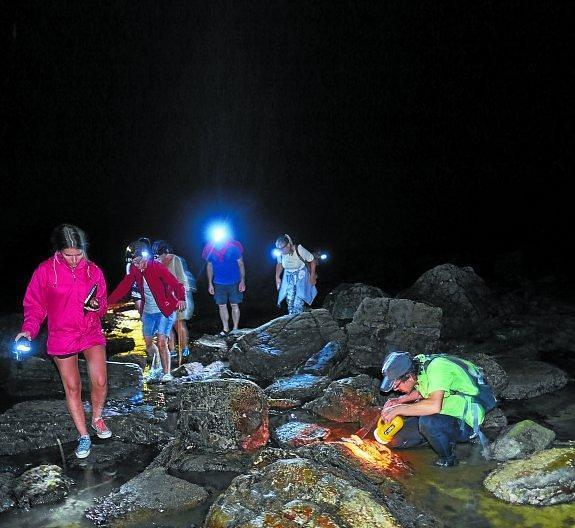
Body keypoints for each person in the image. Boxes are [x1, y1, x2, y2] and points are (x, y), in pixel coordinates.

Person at [15, 224, 110, 459]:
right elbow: (35, 305)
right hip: (62, 335)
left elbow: (103, 303)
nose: (75, 259)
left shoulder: (93, 270)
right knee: (73, 387)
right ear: (58, 251)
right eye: (68, 255)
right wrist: (28, 330)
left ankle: (97, 418)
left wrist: (97, 307)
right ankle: (83, 435)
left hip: (90, 331)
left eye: (79, 254)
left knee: (99, 380)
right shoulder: (45, 271)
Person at [379, 351, 487, 467]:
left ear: (409, 377)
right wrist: (400, 400)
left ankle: (448, 460)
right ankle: (437, 439)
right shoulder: (417, 366)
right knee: (396, 440)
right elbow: (425, 390)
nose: (395, 389)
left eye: (397, 385)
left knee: (428, 423)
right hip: (442, 414)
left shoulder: (437, 368)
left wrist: (399, 408)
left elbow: (434, 406)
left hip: (466, 420)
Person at [108, 239, 186, 382]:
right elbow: (123, 287)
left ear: (146, 257)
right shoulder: (134, 270)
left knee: (162, 341)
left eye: (138, 261)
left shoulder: (157, 267)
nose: (136, 265)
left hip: (165, 310)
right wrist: (107, 303)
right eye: (134, 262)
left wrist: (181, 298)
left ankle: (167, 373)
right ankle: (156, 365)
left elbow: (176, 284)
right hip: (148, 312)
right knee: (149, 344)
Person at [152, 240, 196, 361]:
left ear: (165, 253)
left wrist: (181, 299)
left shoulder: (174, 260)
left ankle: (184, 348)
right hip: (166, 297)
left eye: (160, 255)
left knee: (178, 322)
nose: (158, 258)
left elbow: (181, 279)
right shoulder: (156, 263)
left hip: (180, 295)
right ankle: (171, 350)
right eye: (155, 256)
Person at [201, 237, 246, 335]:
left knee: (234, 304)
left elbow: (241, 264)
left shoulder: (234, 247)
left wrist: (242, 281)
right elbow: (209, 266)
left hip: (234, 281)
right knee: (221, 305)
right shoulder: (210, 248)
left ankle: (235, 328)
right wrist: (210, 283)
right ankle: (225, 329)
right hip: (218, 282)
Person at [275, 234, 317, 315]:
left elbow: (312, 260)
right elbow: (279, 263)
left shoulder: (299, 249)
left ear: (288, 245)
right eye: (278, 249)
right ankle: (292, 317)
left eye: (282, 248)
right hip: (288, 276)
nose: (280, 251)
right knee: (289, 300)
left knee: (299, 299)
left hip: (301, 275)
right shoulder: (280, 253)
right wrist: (277, 277)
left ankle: (298, 317)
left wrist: (312, 276)